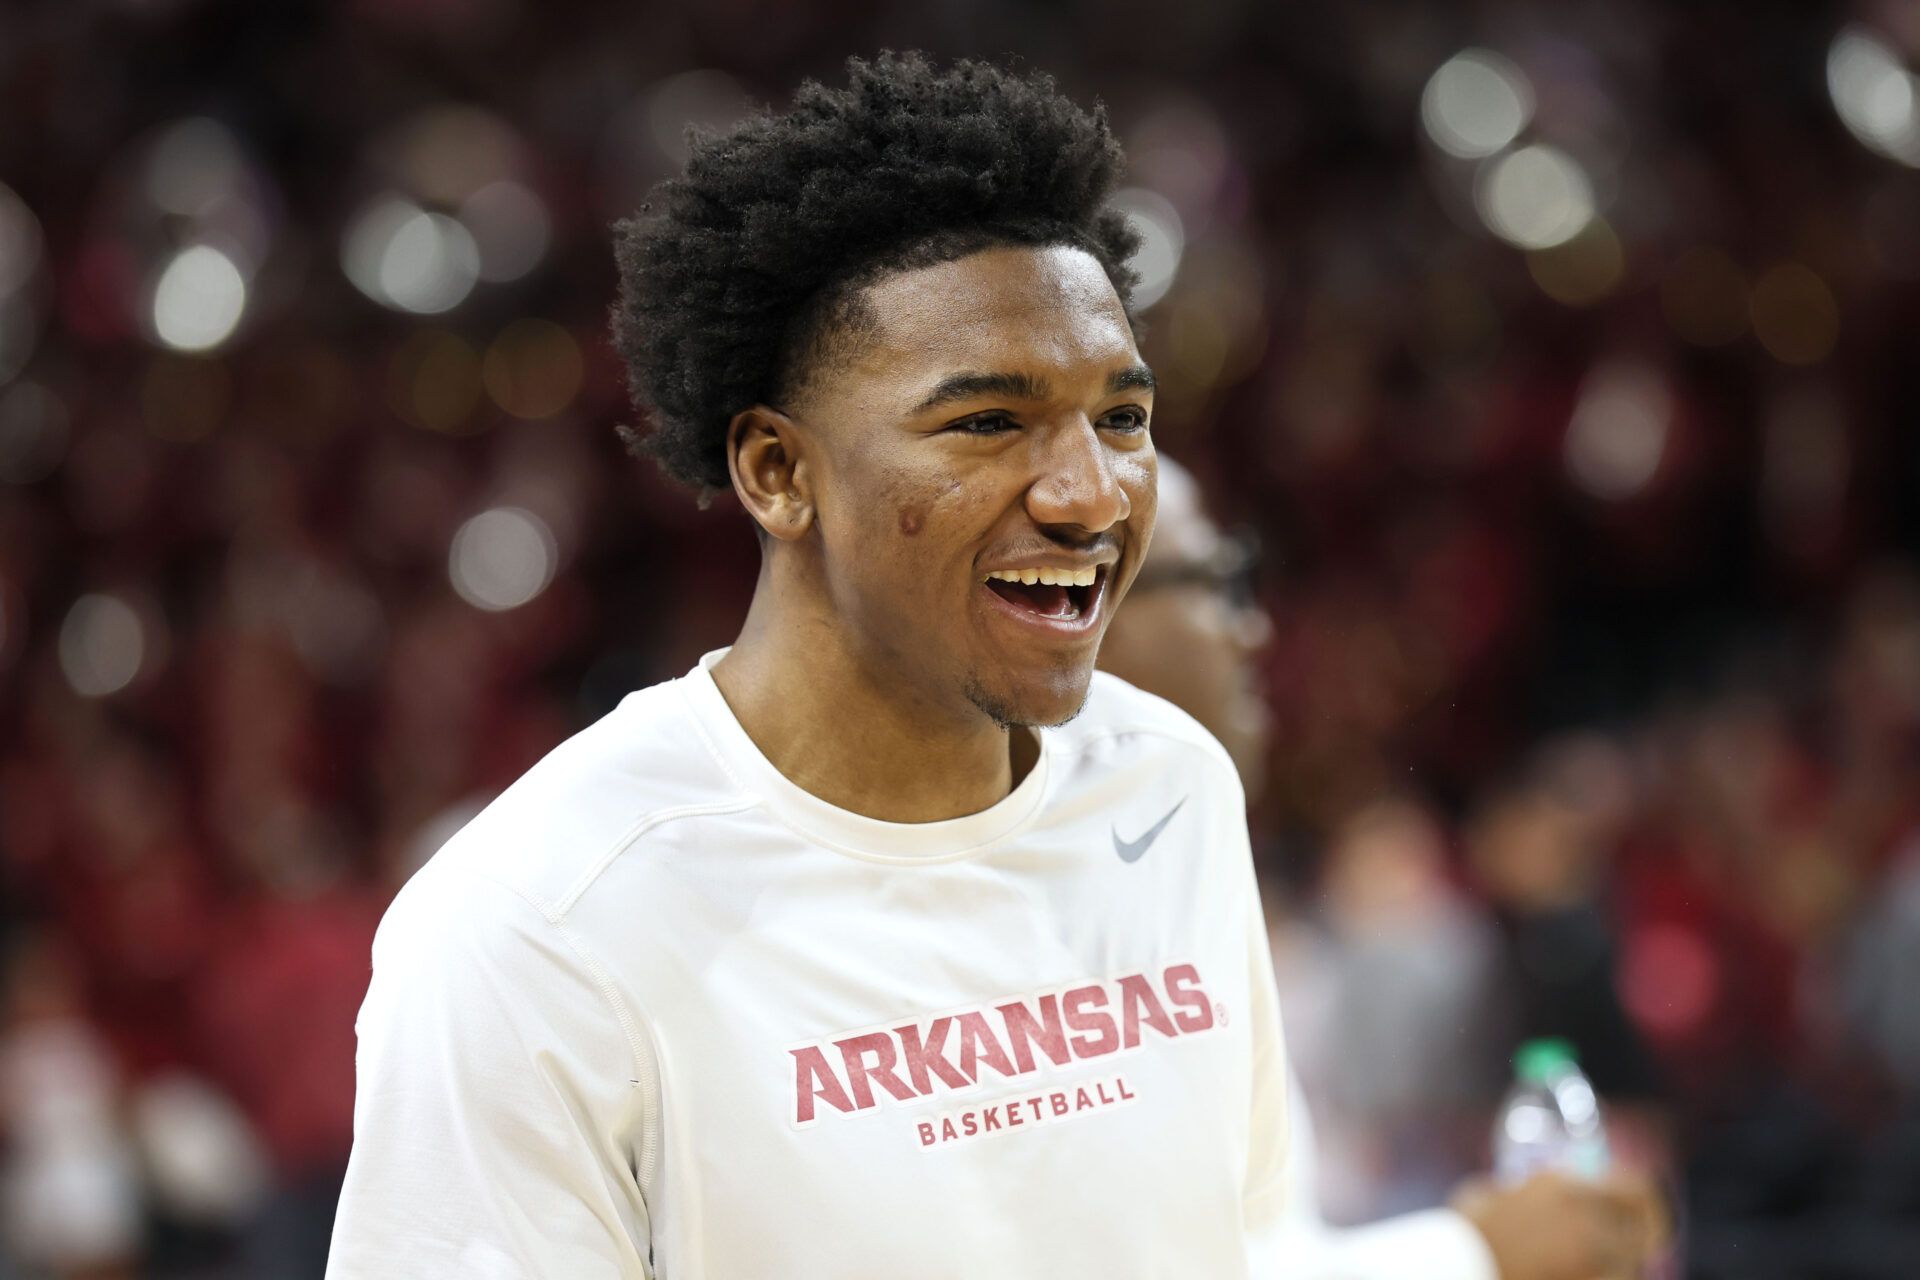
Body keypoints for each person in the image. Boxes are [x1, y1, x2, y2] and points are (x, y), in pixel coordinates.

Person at [328, 55, 1292, 1277]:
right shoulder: (538, 921)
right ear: (778, 473)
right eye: (988, 422)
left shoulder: (1170, 785)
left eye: (1122, 418)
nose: (1089, 494)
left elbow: (1254, 1241)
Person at [1098, 457, 1669, 1280]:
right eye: (1214, 583)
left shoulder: (1177, 877)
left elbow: (1267, 1251)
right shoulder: (1050, 917)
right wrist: (1476, 1250)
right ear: (1077, 607)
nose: (1253, 629)